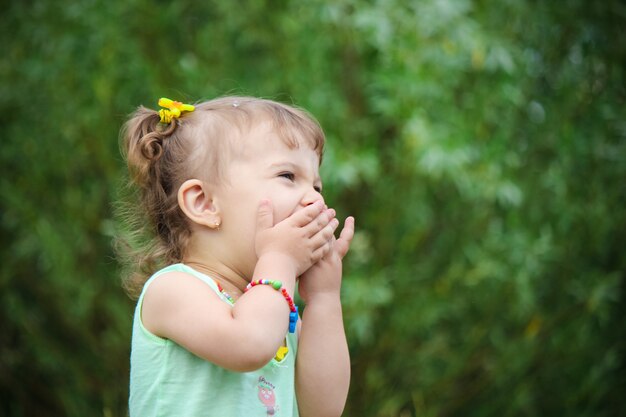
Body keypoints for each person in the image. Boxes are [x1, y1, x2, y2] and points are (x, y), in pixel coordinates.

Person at [118, 96, 355, 417]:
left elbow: (323, 410)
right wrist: (280, 260)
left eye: (317, 186)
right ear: (204, 204)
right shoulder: (172, 290)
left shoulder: (275, 310)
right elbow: (249, 344)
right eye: (288, 176)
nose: (314, 199)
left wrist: (324, 299)